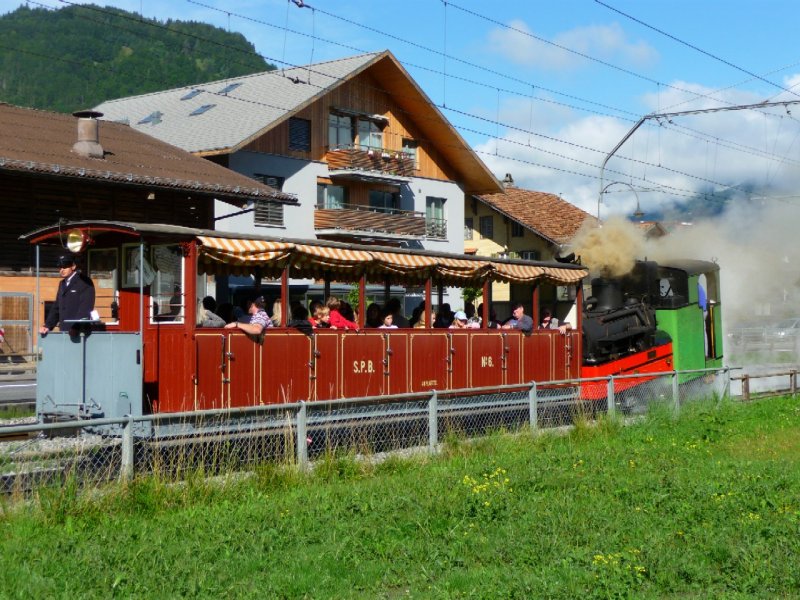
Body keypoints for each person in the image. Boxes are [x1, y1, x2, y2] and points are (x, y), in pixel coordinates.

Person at [40, 254, 95, 335]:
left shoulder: (84, 282)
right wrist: (47, 326)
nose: (62, 270)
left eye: (65, 266)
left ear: (73, 266)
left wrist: (76, 327)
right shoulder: (62, 283)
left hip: (79, 333)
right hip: (64, 331)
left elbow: (86, 307)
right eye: (60, 267)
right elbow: (57, 307)